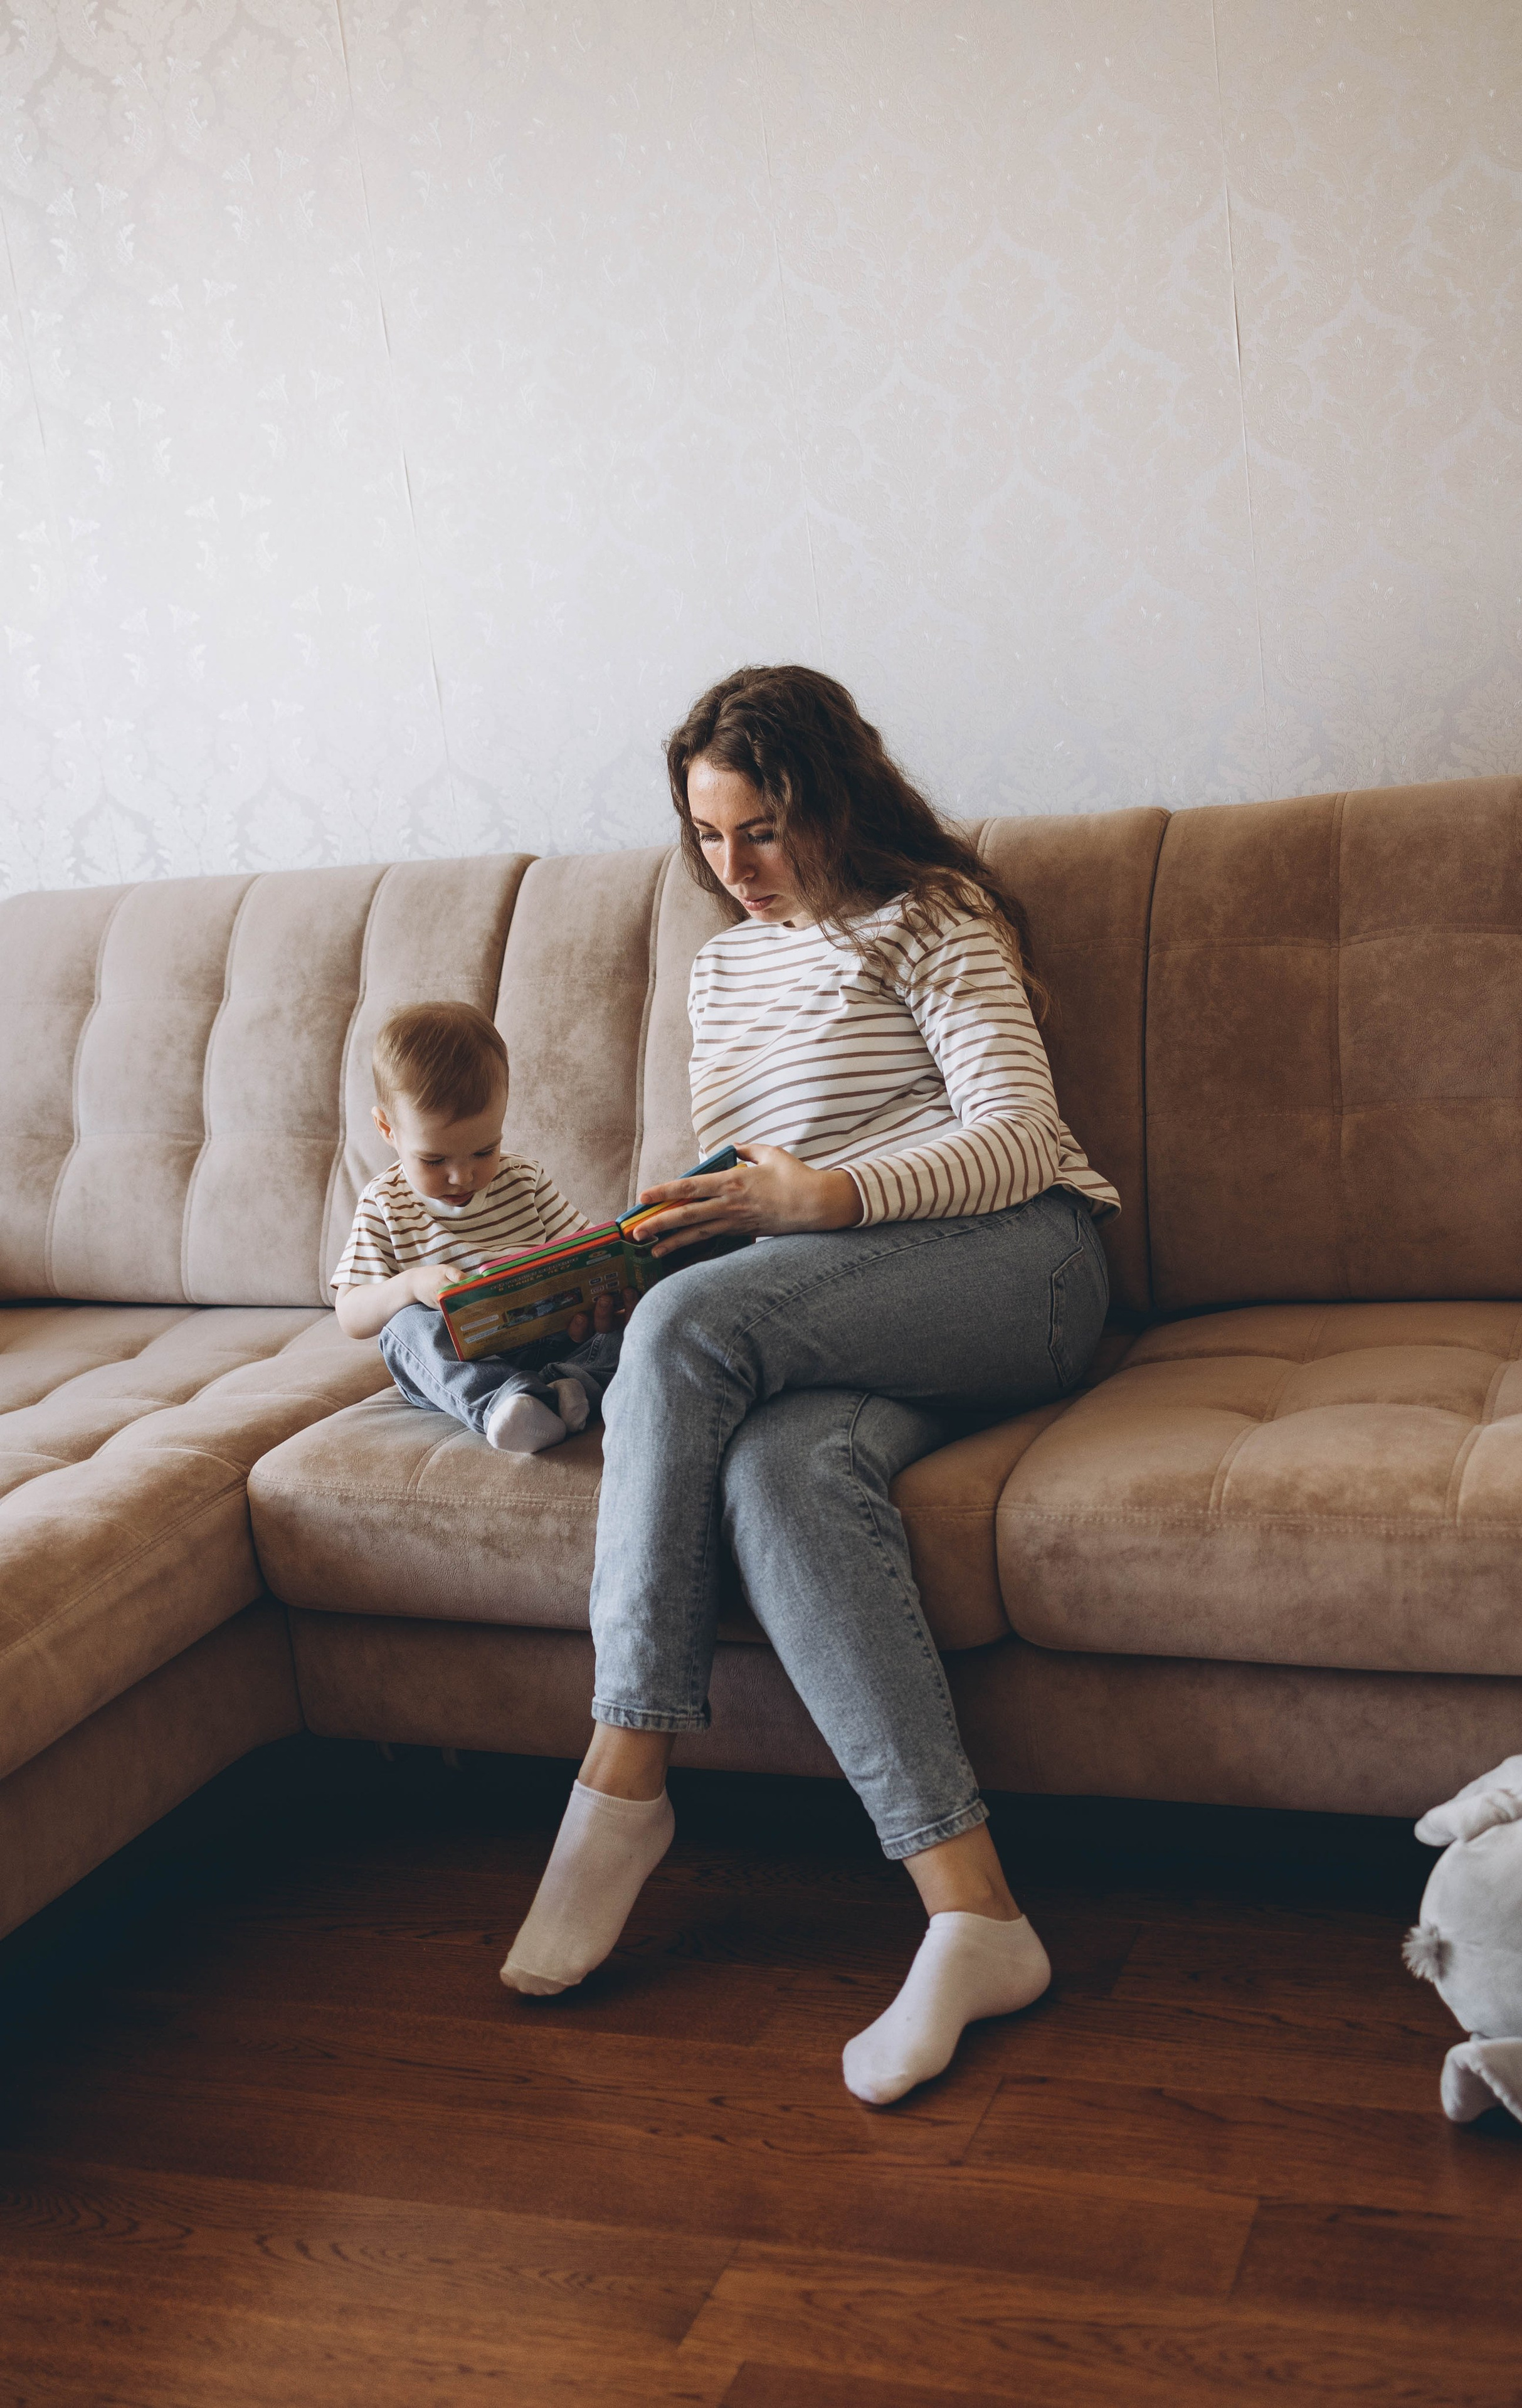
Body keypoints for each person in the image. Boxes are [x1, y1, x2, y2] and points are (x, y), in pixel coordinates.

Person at [500, 666, 1118, 2106]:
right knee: (777, 1468)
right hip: (844, 1302)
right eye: (709, 838)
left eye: (764, 830)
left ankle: (623, 1773)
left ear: (832, 801)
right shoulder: (723, 964)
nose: (738, 870)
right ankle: (974, 1913)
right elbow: (750, 1179)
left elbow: (1019, 1140)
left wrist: (816, 1198)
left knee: (684, 1341)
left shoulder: (933, 917)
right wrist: (668, 1228)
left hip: (1011, 1265)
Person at [332, 1001, 631, 1450]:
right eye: (434, 1159)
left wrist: (568, 1275)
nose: (463, 1176)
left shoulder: (525, 1179)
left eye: (484, 1151)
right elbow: (351, 1315)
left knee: (636, 1321)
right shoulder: (385, 1202)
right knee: (403, 1329)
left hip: (549, 1340)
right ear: (387, 1129)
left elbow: (586, 1252)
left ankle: (568, 1388)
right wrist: (410, 1286)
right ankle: (506, 1405)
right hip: (458, 1361)